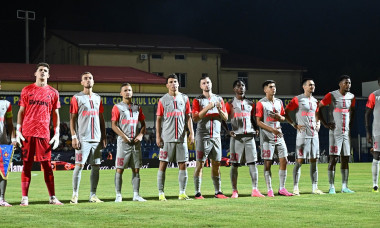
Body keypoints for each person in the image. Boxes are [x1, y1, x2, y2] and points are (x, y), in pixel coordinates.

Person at [16, 62, 62, 206]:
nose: (43, 72)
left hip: (44, 134)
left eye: (45, 71)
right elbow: (21, 111)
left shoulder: (53, 92)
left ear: (48, 75)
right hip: (28, 132)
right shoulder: (26, 90)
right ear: (35, 73)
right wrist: (18, 129)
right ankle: (24, 198)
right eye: (40, 70)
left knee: (47, 165)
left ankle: (52, 197)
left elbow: (55, 113)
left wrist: (57, 132)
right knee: (26, 165)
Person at [223, 80, 265, 198]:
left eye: (242, 86)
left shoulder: (251, 103)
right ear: (234, 89)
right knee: (234, 164)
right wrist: (227, 131)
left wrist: (256, 128)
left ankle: (255, 189)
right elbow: (222, 119)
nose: (241, 88)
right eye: (238, 86)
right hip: (236, 137)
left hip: (249, 136)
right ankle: (234, 190)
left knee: (252, 163)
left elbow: (252, 118)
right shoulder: (230, 104)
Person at [69, 72, 107, 204]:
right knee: (79, 166)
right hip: (83, 139)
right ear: (81, 82)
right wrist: (74, 136)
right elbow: (72, 119)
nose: (88, 80)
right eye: (85, 79)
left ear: (93, 81)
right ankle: (75, 195)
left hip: (96, 139)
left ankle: (93, 195)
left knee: (96, 167)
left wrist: (104, 136)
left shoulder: (98, 98)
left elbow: (101, 118)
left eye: (90, 78)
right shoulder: (76, 98)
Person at [156, 74, 194, 201]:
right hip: (167, 138)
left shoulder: (185, 98)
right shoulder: (162, 100)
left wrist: (191, 133)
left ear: (178, 84)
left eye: (175, 81)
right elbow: (158, 120)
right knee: (163, 164)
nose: (173, 84)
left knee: (183, 164)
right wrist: (158, 136)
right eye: (170, 82)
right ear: (167, 85)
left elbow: (188, 117)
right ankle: (161, 193)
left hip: (181, 138)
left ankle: (182, 193)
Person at [284, 78, 324, 195]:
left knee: (314, 161)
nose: (312, 86)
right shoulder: (298, 99)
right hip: (302, 135)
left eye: (313, 85)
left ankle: (315, 188)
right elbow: (286, 112)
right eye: (310, 85)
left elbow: (317, 114)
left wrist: (318, 123)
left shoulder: (316, 101)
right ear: (304, 87)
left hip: (314, 135)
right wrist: (294, 124)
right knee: (299, 160)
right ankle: (296, 187)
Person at [192, 76, 229, 199]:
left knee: (216, 164)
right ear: (200, 86)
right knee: (200, 164)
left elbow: (226, 118)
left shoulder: (219, 99)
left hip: (216, 137)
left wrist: (218, 108)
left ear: (211, 84)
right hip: (203, 136)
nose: (206, 85)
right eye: (204, 83)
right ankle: (197, 192)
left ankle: (218, 191)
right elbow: (195, 118)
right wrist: (207, 108)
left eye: (208, 82)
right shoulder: (197, 100)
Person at [256, 80, 293, 197]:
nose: (273, 88)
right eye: (271, 87)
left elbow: (283, 118)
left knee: (284, 160)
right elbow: (258, 122)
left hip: (279, 134)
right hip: (267, 137)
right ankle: (270, 189)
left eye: (274, 86)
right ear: (265, 90)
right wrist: (272, 130)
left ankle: (282, 188)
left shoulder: (279, 102)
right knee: (268, 163)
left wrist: (279, 117)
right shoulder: (261, 103)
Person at [319, 75, 355, 194]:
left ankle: (344, 187)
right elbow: (319, 107)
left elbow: (352, 111)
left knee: (345, 158)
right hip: (335, 133)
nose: (348, 85)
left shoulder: (351, 97)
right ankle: (332, 187)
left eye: (349, 83)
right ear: (340, 84)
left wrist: (350, 125)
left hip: (346, 133)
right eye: (346, 83)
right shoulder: (332, 95)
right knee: (333, 159)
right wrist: (325, 123)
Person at [112, 83, 147, 202]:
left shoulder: (137, 107)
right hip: (123, 143)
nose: (128, 92)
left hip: (136, 143)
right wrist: (123, 136)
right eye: (125, 90)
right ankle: (118, 195)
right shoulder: (117, 107)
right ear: (121, 93)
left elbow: (143, 125)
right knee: (119, 169)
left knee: (136, 169)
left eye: (130, 90)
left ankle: (136, 195)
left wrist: (141, 134)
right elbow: (113, 125)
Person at [0, 96, 17, 206]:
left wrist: (14, 139)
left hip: (3, 142)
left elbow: (10, 124)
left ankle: (1, 198)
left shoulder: (6, 104)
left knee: (3, 171)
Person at [365, 76, 380, 192]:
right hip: (377, 131)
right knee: (376, 156)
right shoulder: (374, 95)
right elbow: (367, 114)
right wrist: (368, 132)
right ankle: (375, 184)